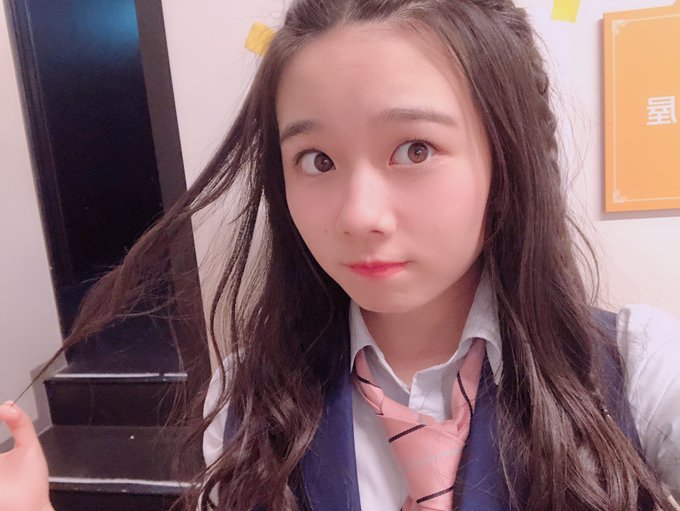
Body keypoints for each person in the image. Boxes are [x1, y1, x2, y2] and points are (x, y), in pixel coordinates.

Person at [1, 0, 679, 509]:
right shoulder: (247, 400)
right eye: (317, 160)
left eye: (415, 148)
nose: (357, 215)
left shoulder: (640, 371)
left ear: (508, 161)